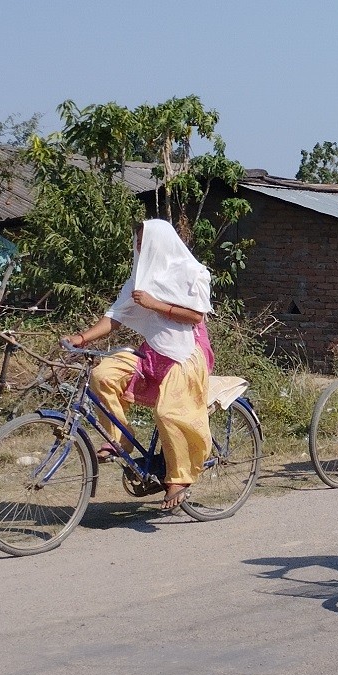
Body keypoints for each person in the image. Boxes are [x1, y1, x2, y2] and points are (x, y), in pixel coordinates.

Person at [64, 219, 214, 512]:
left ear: (160, 242)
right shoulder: (139, 280)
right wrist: (82, 337)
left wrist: (154, 304)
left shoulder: (191, 273)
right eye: (138, 241)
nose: (139, 246)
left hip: (188, 353)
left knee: (168, 411)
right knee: (103, 375)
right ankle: (122, 439)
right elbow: (115, 317)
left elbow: (196, 316)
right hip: (153, 352)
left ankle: (179, 477)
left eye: (145, 241)